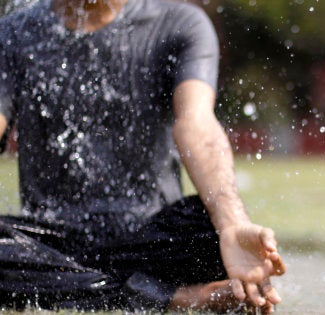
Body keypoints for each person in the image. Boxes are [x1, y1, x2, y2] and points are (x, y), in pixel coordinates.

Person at [0, 0, 285, 313]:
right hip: (49, 246)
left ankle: (81, 288)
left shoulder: (179, 23)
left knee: (209, 231)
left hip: (149, 242)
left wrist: (232, 224)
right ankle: (176, 298)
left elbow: (197, 122)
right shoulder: (13, 33)